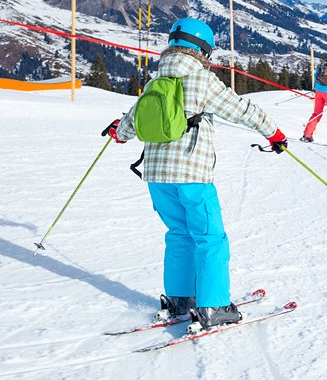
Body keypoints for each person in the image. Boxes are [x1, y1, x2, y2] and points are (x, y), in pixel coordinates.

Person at [103, 17, 288, 330]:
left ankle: (180, 300)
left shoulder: (155, 80)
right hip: (191, 173)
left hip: (157, 176)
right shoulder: (201, 79)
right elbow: (241, 109)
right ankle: (214, 305)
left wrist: (118, 133)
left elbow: (130, 122)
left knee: (178, 235)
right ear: (204, 49)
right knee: (210, 238)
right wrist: (275, 134)